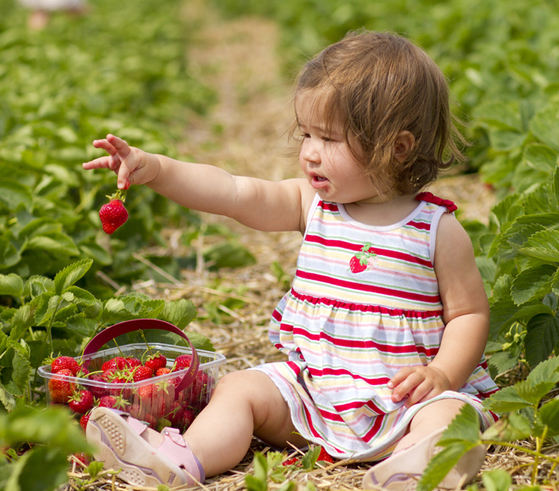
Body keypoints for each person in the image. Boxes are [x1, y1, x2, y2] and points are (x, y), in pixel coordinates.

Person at [82, 30, 499, 490]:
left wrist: (442, 373)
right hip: (315, 395)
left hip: (406, 402)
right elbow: (233, 192)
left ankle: (415, 467)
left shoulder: (436, 229)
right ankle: (181, 460)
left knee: (451, 413)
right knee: (240, 389)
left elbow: (468, 314)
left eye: (330, 139)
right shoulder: (311, 204)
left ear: (396, 148)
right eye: (307, 134)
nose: (309, 153)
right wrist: (158, 169)